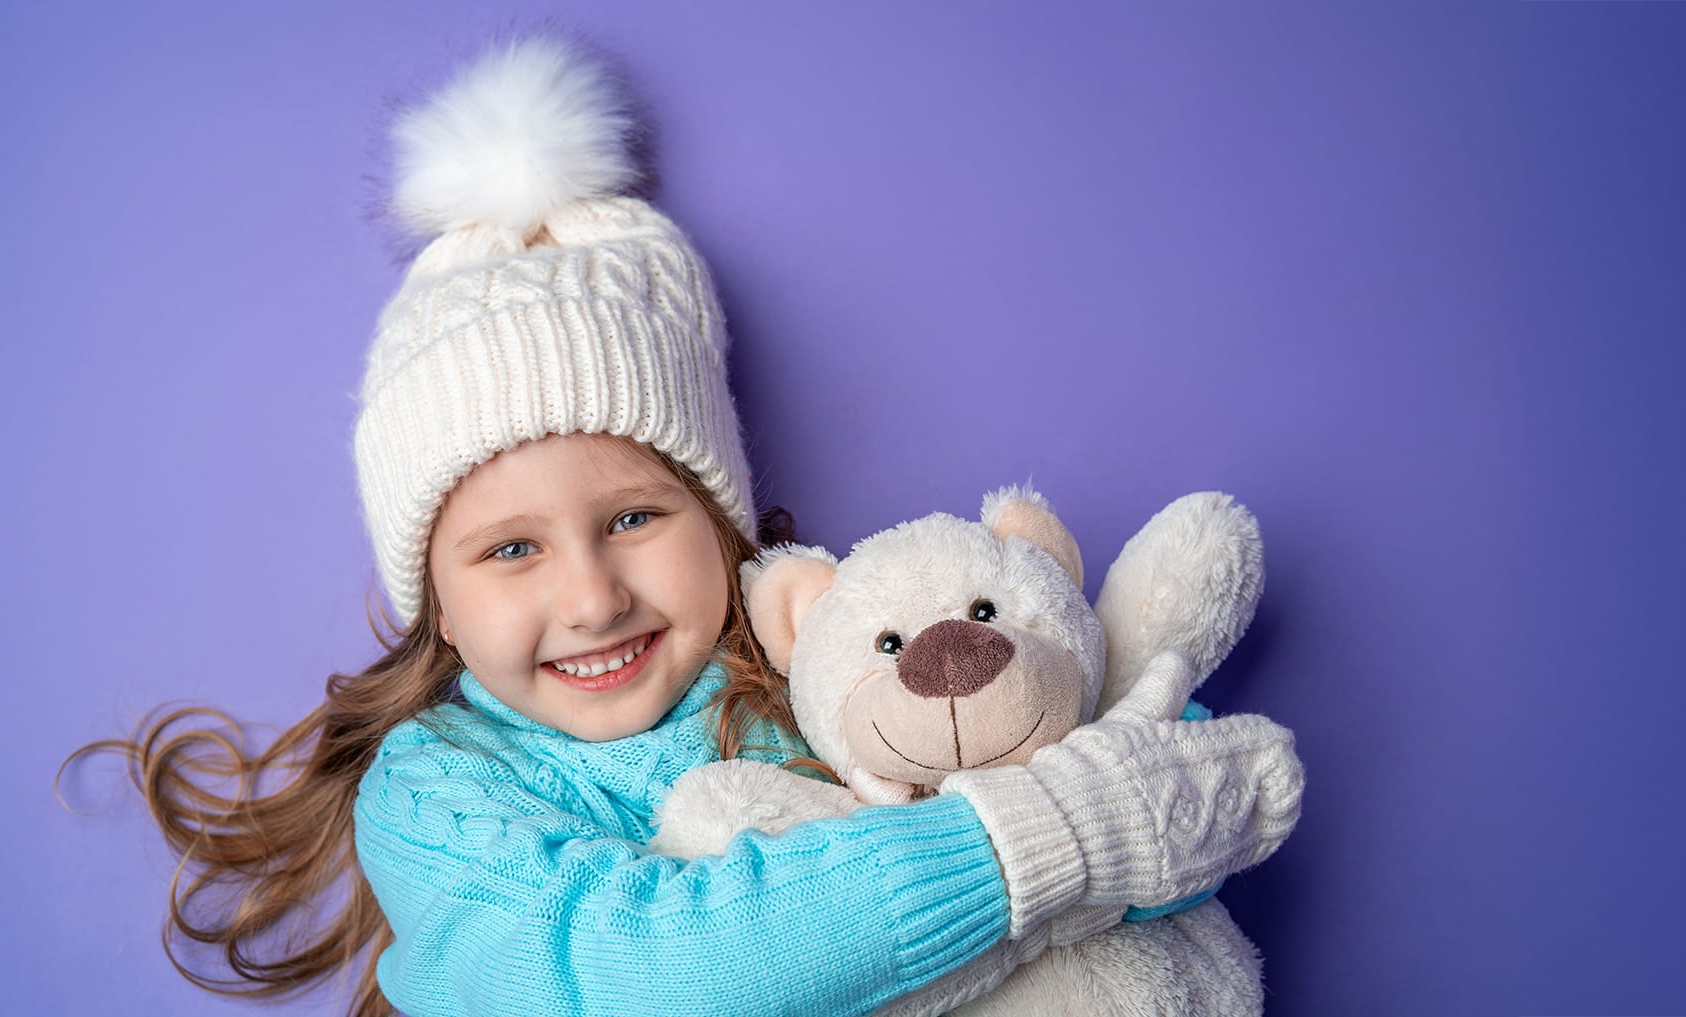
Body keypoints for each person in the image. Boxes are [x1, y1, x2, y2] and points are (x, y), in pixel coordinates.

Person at [69, 35, 1305, 1017]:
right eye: (510, 549)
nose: (592, 596)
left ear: (719, 521)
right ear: (434, 594)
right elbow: (624, 976)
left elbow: (1140, 785)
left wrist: (1129, 790)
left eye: (633, 517)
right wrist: (1052, 842)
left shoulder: (827, 671)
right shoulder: (438, 791)